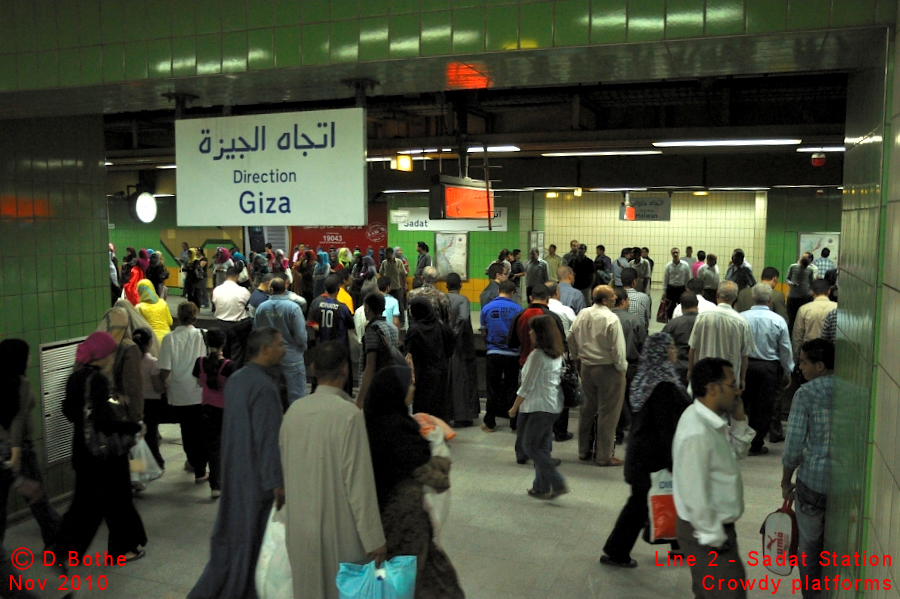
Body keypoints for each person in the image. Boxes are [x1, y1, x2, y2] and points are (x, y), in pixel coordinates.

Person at [280, 342, 386, 599]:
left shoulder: (294, 412)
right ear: (345, 370)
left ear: (313, 368)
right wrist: (373, 538)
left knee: (307, 589)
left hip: (300, 527)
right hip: (340, 529)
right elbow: (358, 483)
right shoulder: (348, 415)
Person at [189, 327, 286, 599]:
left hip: (235, 470)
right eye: (279, 344)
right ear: (265, 349)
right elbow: (268, 440)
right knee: (252, 541)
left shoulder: (239, 379)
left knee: (232, 538)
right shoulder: (266, 388)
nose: (284, 349)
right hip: (257, 479)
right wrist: (277, 483)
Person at [363, 366, 465, 599]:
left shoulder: (375, 424)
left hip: (393, 523)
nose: (413, 388)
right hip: (404, 525)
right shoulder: (397, 432)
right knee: (413, 581)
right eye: (408, 384)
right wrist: (441, 461)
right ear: (395, 391)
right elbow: (431, 475)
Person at [53, 331, 146, 563]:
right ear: (102, 355)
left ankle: (62, 550)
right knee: (118, 501)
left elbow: (71, 411)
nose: (113, 358)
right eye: (111, 353)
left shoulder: (75, 377)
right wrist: (134, 427)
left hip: (82, 451)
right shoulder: (98, 381)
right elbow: (103, 421)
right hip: (105, 455)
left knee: (84, 504)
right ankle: (121, 550)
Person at [600, 333, 691, 568]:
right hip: (652, 458)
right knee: (640, 505)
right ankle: (615, 552)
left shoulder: (646, 377)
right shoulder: (664, 386)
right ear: (662, 352)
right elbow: (667, 429)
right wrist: (675, 464)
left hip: (641, 453)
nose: (674, 351)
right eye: (670, 348)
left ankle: (678, 546)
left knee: (654, 501)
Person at [673, 358, 754, 599]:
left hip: (715, 529)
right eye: (732, 384)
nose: (738, 390)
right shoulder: (698, 432)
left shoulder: (710, 421)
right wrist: (715, 539)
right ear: (712, 388)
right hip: (707, 534)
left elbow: (737, 452)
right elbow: (693, 492)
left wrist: (739, 418)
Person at [781, 339, 834, 599]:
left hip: (813, 483)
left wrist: (785, 480)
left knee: (810, 549)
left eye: (803, 362)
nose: (799, 367)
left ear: (820, 366)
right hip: (846, 486)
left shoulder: (806, 393)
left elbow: (793, 446)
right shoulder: (855, 391)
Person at [0, 339, 63, 550]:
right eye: (27, 355)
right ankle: (57, 542)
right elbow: (17, 421)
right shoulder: (22, 384)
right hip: (21, 450)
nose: (30, 359)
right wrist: (15, 457)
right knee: (38, 498)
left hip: (2, 451)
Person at [508, 315, 568, 499]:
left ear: (540, 334)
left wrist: (513, 408)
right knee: (541, 447)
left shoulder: (537, 356)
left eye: (533, 329)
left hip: (538, 406)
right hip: (551, 405)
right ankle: (540, 487)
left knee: (530, 446)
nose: (530, 332)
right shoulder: (558, 353)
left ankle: (557, 483)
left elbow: (527, 386)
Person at [568, 286, 627, 466]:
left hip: (586, 368)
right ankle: (604, 456)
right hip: (608, 369)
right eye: (612, 296)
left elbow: (570, 337)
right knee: (608, 413)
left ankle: (583, 451)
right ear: (604, 300)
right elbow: (618, 349)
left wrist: (576, 357)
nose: (615, 298)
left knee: (586, 411)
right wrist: (621, 369)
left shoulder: (583, 314)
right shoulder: (611, 318)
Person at [506, 284, 571, 444]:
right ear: (548, 298)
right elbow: (562, 343)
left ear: (530, 298)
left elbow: (511, 343)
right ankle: (556, 433)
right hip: (548, 367)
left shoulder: (520, 315)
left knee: (524, 400)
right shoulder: (550, 318)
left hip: (524, 363)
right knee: (548, 403)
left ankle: (519, 439)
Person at [740, 283, 794, 456]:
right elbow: (785, 349)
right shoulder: (778, 320)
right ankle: (756, 443)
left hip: (745, 365)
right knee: (763, 407)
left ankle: (738, 440)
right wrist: (787, 371)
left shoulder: (741, 318)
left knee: (741, 403)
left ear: (753, 298)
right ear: (770, 300)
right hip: (769, 368)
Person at [159, 302, 209, 482]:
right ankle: (200, 468)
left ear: (178, 317)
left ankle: (193, 460)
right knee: (201, 429)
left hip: (178, 392)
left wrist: (161, 384)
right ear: (195, 316)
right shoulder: (203, 335)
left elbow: (164, 368)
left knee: (187, 429)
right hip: (199, 390)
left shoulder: (169, 338)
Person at [192, 329, 237, 499]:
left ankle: (215, 485)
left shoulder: (200, 362)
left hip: (206, 409)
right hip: (225, 410)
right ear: (223, 344)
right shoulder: (228, 365)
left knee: (213, 448)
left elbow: (199, 382)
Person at [688, 281, 755, 394]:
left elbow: (692, 348)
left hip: (704, 378)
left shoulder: (702, 316)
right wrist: (742, 379)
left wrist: (690, 371)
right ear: (736, 297)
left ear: (717, 294)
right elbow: (744, 356)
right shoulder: (742, 322)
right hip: (728, 384)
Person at [254, 276, 308, 402]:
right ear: (285, 288)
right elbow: (300, 335)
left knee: (271, 394)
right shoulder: (293, 308)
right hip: (291, 355)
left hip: (269, 357)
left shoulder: (261, 308)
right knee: (296, 395)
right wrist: (302, 348)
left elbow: (256, 332)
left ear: (270, 289)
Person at [480, 280, 523, 433]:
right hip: (512, 354)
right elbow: (521, 333)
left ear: (499, 290)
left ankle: (490, 423)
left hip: (493, 353)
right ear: (512, 293)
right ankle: (514, 424)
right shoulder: (518, 309)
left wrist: (491, 343)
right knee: (512, 388)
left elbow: (484, 332)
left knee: (493, 389)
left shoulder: (487, 308)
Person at [404, 297, 456, 421]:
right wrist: (446, 355)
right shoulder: (439, 326)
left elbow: (408, 354)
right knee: (440, 403)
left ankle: (425, 434)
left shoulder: (414, 329)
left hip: (421, 374)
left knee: (422, 406)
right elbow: (452, 338)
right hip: (440, 371)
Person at [308, 275, 355, 395]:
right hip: (339, 347)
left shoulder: (316, 302)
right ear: (338, 289)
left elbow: (311, 323)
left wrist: (324, 329)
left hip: (322, 345)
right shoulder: (342, 308)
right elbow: (351, 326)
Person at [356, 292, 403, 409]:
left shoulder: (372, 329)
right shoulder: (392, 327)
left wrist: (361, 398)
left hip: (375, 384)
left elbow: (370, 365)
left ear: (367, 308)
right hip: (390, 379)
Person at [612, 288, 647, 445]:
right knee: (632, 399)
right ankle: (634, 432)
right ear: (624, 301)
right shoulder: (634, 320)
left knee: (615, 401)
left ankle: (617, 434)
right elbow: (643, 343)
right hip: (632, 365)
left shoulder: (606, 318)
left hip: (611, 366)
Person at [446, 273, 480, 427]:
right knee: (463, 380)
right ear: (460, 285)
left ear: (446, 285)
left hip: (445, 346)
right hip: (461, 346)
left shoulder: (442, 299)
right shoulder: (462, 300)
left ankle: (447, 413)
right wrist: (455, 332)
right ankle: (462, 415)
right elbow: (465, 317)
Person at [133, 328, 167, 471]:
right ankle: (157, 464)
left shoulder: (129, 362)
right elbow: (157, 387)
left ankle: (138, 469)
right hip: (152, 403)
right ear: (150, 343)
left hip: (135, 402)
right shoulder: (153, 363)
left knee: (136, 437)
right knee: (151, 434)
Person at [213, 266, 253, 366]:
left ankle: (223, 374)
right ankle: (234, 375)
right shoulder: (243, 291)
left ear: (226, 276)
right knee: (238, 354)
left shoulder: (216, 290)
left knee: (223, 352)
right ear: (237, 276)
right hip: (239, 327)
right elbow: (248, 305)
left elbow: (214, 303)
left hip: (221, 324)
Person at [792, 279, 838, 362]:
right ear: (829, 291)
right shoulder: (837, 308)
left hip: (809, 356)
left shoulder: (804, 309)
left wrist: (797, 359)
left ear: (812, 292)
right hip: (831, 355)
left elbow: (797, 337)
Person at [662, 291, 700, 385]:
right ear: (697, 303)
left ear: (681, 305)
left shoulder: (673, 324)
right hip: (699, 367)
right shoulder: (705, 323)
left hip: (677, 369)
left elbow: (661, 345)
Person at [134, 279, 173, 343]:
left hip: (151, 340)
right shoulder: (162, 303)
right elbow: (170, 322)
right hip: (167, 338)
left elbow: (137, 326)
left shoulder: (139, 307)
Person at [785, 256, 815, 331]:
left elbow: (811, 282)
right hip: (793, 296)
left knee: (803, 317)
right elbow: (787, 279)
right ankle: (791, 334)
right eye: (802, 266)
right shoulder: (793, 267)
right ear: (799, 263)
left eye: (805, 267)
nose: (803, 269)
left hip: (804, 297)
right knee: (791, 318)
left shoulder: (810, 270)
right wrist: (792, 284)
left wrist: (810, 292)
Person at [663, 247, 692, 320]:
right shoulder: (668, 266)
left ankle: (680, 320)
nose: (675, 254)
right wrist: (664, 292)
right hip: (671, 289)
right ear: (671, 254)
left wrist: (688, 289)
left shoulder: (685, 265)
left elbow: (688, 278)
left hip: (681, 289)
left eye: (676, 252)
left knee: (682, 306)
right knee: (670, 308)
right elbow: (665, 279)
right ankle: (671, 321)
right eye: (673, 253)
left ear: (679, 253)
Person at [378, 246, 408, 311]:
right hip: (386, 288)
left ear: (391, 253)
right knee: (386, 304)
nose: (385, 255)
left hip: (396, 287)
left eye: (387, 254)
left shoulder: (399, 262)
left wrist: (405, 284)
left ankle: (401, 320)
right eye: (385, 254)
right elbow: (381, 273)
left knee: (399, 305)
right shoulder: (384, 263)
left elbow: (403, 274)